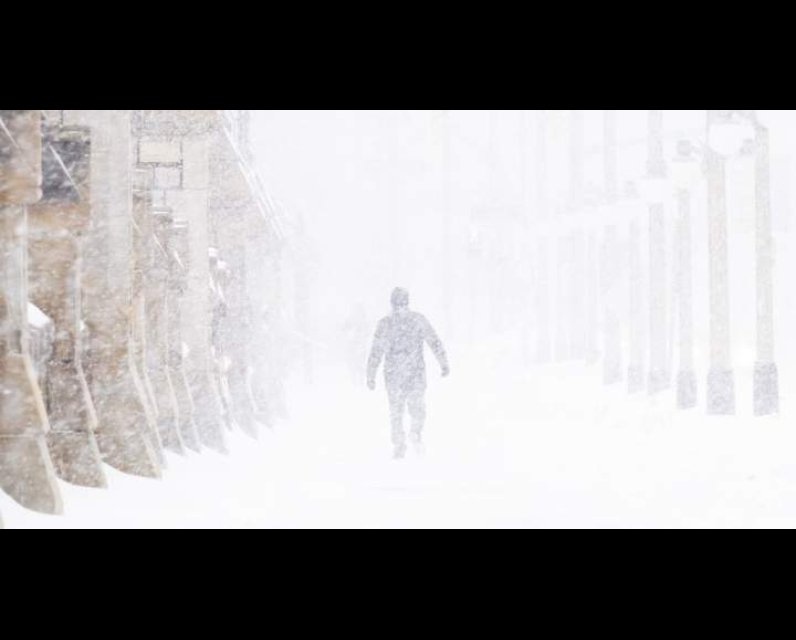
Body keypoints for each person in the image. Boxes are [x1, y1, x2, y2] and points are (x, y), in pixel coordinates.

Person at [367, 288, 449, 459]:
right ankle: (410, 437)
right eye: (399, 304)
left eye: (401, 304)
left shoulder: (387, 324)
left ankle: (403, 440)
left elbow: (376, 351)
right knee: (413, 408)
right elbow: (434, 342)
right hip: (413, 373)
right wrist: (443, 362)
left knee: (399, 411)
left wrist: (371, 374)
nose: (400, 308)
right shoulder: (416, 320)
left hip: (397, 375)